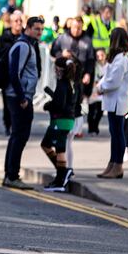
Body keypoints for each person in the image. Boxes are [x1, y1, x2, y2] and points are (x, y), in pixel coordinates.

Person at [2, 16, 44, 190]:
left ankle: (10, 174)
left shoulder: (30, 45)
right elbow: (14, 73)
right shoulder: (22, 46)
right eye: (36, 29)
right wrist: (22, 98)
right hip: (19, 98)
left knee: (18, 136)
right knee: (19, 136)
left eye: (41, 29)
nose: (39, 32)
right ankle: (12, 175)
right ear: (28, 28)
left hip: (23, 97)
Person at [95, 27, 128, 179]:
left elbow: (113, 81)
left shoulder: (122, 58)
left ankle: (117, 165)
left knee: (117, 133)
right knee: (115, 133)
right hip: (116, 100)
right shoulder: (122, 57)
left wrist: (100, 88)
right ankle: (112, 163)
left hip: (118, 100)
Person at [51, 16, 95, 139]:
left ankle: (77, 129)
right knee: (63, 102)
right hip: (64, 75)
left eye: (79, 28)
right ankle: (61, 126)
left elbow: (91, 59)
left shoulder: (87, 40)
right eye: (75, 27)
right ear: (71, 26)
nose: (76, 30)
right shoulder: (62, 38)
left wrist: (88, 73)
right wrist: (61, 54)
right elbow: (53, 51)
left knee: (77, 103)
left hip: (79, 76)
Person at [40, 57, 78, 192]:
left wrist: (48, 105)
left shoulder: (63, 83)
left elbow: (59, 104)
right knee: (47, 145)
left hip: (61, 120)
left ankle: (61, 179)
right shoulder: (71, 82)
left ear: (58, 69)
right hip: (67, 120)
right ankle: (62, 173)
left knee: (59, 149)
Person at [0, 11, 23, 135]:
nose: (18, 23)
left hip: (22, 77)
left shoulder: (25, 38)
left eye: (20, 21)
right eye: (16, 21)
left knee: (22, 101)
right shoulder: (3, 39)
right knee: (8, 103)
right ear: (11, 23)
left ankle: (18, 125)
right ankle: (8, 125)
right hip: (7, 76)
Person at [87, 48, 107, 135]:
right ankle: (91, 128)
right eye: (98, 56)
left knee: (100, 111)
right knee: (91, 110)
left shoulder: (108, 66)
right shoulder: (94, 66)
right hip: (93, 91)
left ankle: (95, 126)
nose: (100, 58)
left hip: (103, 91)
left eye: (102, 55)